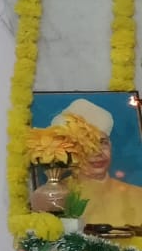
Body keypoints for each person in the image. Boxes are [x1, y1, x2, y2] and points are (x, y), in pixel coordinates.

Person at [59, 98, 142, 228]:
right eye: (87, 144)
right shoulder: (56, 197)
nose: (97, 152)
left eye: (103, 143)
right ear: (69, 151)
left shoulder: (138, 195)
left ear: (111, 146)